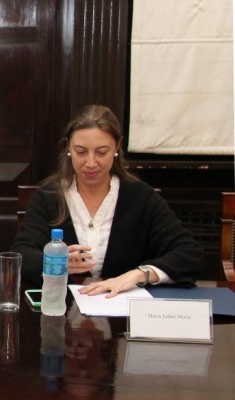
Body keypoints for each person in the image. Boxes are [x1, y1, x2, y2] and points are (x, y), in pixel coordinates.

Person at [11, 105, 203, 297]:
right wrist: (53, 263)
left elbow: (189, 253)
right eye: (81, 152)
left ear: (116, 148)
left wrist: (139, 275)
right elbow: (21, 254)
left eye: (102, 152)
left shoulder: (141, 197)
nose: (91, 163)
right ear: (68, 147)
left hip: (124, 313)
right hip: (62, 309)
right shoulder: (49, 197)